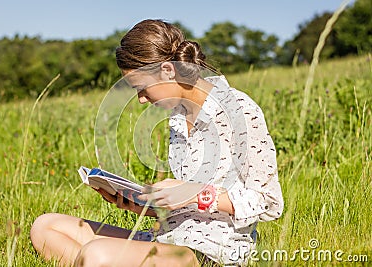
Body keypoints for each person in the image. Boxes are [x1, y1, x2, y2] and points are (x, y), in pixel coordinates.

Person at [30, 19, 284, 266]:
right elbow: (183, 209)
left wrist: (193, 193)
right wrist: (139, 204)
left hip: (209, 251)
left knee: (96, 254)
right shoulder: (178, 116)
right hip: (166, 237)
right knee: (46, 227)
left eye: (142, 87)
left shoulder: (239, 110)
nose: (141, 99)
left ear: (167, 70)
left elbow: (269, 203)